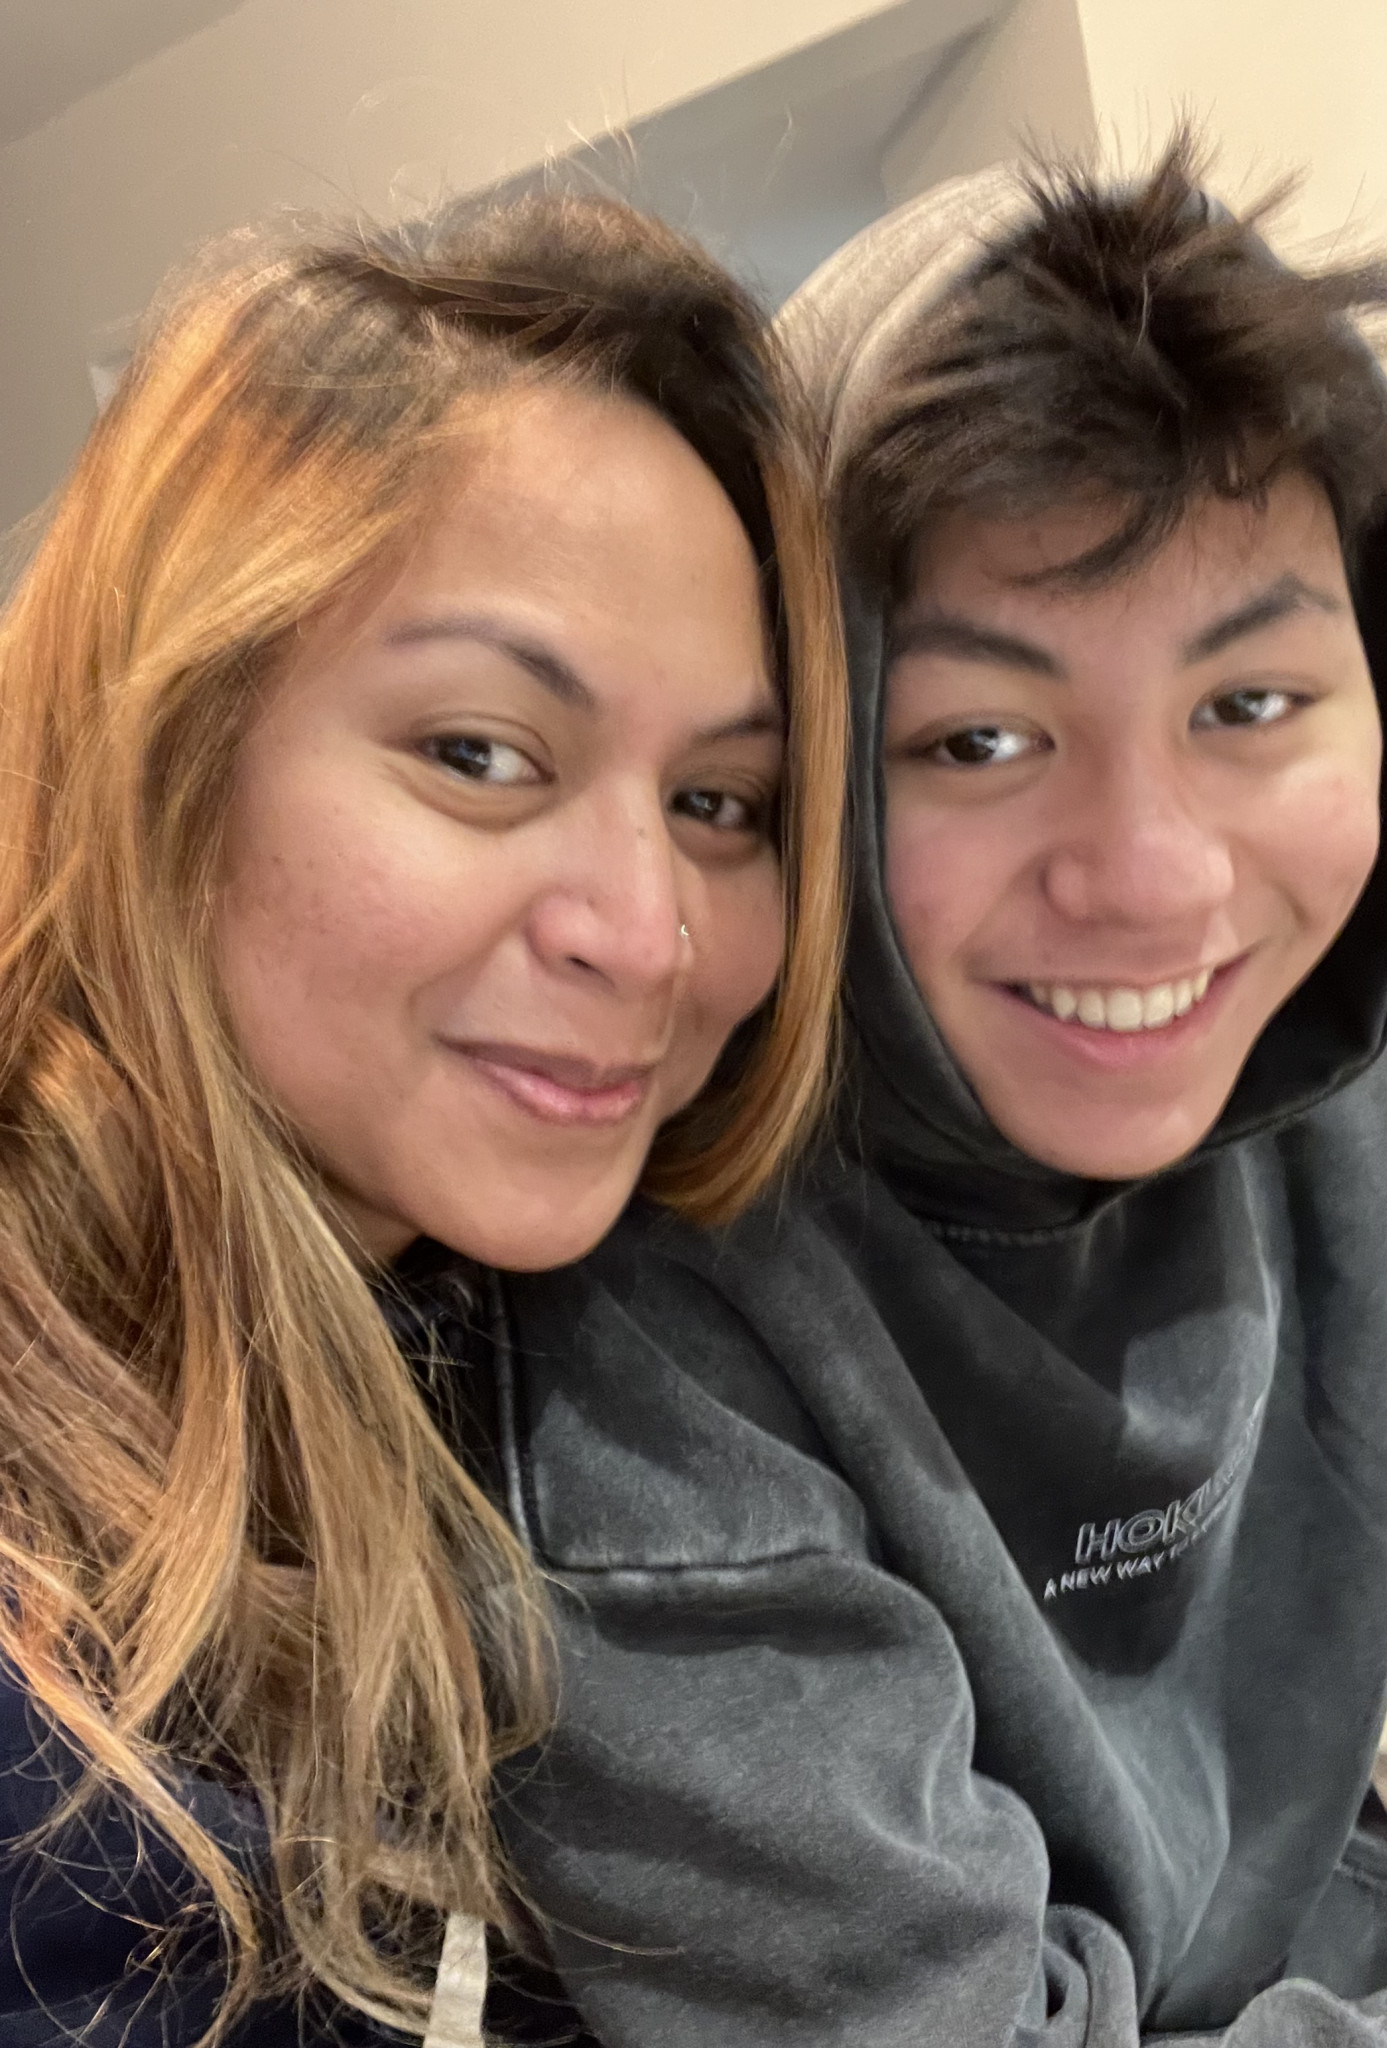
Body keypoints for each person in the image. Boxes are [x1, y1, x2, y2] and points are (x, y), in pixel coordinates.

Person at [489, 139, 1387, 2046]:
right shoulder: (646, 1324)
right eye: (979, 738)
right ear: (807, 764)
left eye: (1248, 706)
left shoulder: (1333, 1042)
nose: (1157, 884)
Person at [0, 191, 846, 2045]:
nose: (646, 930)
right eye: (480, 755)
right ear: (169, 757)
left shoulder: (577, 1354)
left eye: (720, 801)